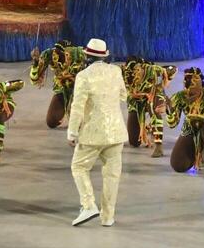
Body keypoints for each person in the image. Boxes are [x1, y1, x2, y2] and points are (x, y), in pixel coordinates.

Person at [67, 37, 127, 227]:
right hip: (116, 132)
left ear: (87, 56)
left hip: (92, 133)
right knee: (112, 175)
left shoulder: (83, 76)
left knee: (79, 167)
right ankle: (108, 217)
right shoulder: (116, 71)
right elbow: (123, 96)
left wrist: (72, 132)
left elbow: (77, 106)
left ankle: (88, 205)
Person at [121, 55, 176, 157]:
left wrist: (162, 84)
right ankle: (147, 128)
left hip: (152, 96)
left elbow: (173, 69)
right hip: (136, 102)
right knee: (134, 142)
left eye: (136, 70)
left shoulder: (151, 70)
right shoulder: (124, 72)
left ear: (142, 67)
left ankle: (158, 146)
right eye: (130, 72)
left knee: (154, 108)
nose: (133, 74)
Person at [30, 39, 89, 129]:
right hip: (62, 90)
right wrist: (35, 62)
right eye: (56, 51)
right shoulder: (48, 55)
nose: (57, 54)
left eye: (62, 52)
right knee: (52, 121)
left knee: (79, 124)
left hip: (80, 91)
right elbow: (34, 79)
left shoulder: (80, 54)